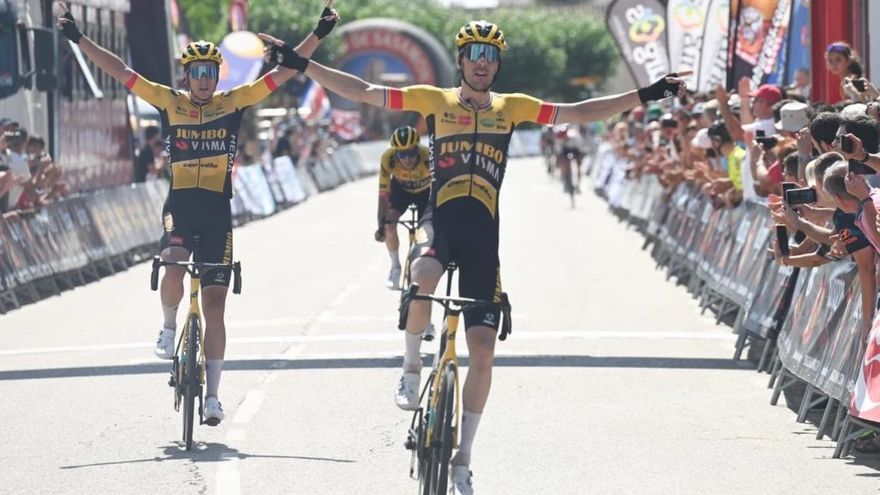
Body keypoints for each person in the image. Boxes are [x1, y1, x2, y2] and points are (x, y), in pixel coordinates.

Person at [262, 19, 686, 493]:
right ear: (462, 61)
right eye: (474, 55)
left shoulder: (514, 108)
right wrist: (302, 63)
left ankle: (463, 457)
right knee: (421, 273)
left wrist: (644, 94)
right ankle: (409, 369)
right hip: (440, 225)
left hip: (484, 238)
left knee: (483, 350)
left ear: (496, 64)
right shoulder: (433, 100)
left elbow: (581, 112)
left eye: (490, 56)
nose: (482, 63)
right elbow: (362, 89)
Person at [56, 0, 339, 425]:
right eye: (197, 72)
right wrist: (79, 38)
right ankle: (169, 325)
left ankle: (213, 396)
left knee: (216, 306)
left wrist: (318, 33)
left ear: (216, 75)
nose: (204, 80)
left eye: (210, 72)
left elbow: (283, 74)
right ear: (186, 75)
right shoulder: (168, 101)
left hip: (217, 214)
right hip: (181, 208)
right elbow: (119, 70)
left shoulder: (234, 101)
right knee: (172, 264)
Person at [374, 125, 431, 291]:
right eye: (402, 154)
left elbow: (439, 190)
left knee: (427, 229)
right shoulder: (388, 159)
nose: (408, 159)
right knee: (389, 226)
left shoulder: (428, 156)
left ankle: (419, 266)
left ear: (417, 150)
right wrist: (381, 226)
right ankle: (395, 267)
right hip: (401, 191)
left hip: (425, 192)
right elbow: (383, 196)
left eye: (411, 153)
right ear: (395, 153)